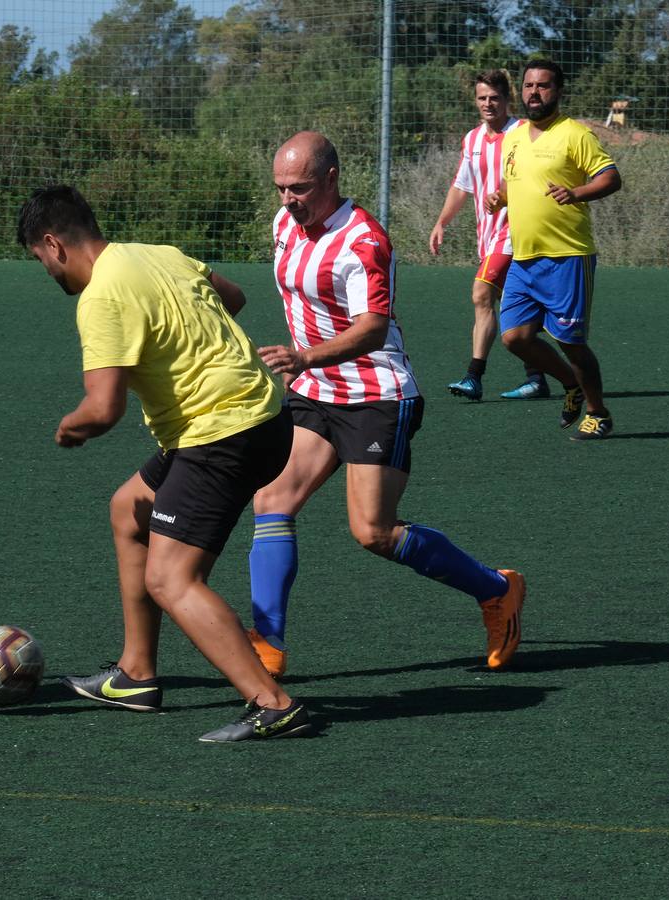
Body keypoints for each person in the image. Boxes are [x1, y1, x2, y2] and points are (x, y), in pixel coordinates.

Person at [16, 185, 312, 743]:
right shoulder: (160, 253)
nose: (48, 272)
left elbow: (103, 410)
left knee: (171, 578)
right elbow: (235, 297)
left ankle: (273, 704)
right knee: (129, 509)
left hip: (220, 435)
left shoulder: (100, 296)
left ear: (53, 245)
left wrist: (69, 427)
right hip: (266, 418)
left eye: (40, 260)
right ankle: (136, 674)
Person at [244, 131, 525, 679]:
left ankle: (497, 589)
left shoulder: (364, 240)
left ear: (330, 179)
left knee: (371, 530)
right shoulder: (285, 224)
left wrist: (305, 356)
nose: (286, 200)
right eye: (279, 188)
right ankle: (266, 646)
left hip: (376, 394)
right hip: (315, 391)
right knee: (271, 500)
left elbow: (373, 329)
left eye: (297, 188)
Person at [485, 59, 622, 441]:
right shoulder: (513, 136)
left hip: (567, 256)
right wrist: (501, 197)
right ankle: (570, 384)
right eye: (528, 85)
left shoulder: (574, 135)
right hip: (524, 257)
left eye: (543, 86)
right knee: (514, 338)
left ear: (558, 91)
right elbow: (517, 183)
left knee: (571, 343)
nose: (534, 92)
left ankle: (599, 413)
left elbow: (611, 178)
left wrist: (575, 192)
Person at [431, 70, 547, 402]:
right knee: (515, 309)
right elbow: (461, 186)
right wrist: (441, 222)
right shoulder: (473, 139)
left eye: (494, 98)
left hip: (518, 234)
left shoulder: (524, 132)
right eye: (482, 98)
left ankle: (473, 376)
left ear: (508, 100)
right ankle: (537, 377)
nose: (487, 103)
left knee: (481, 293)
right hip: (489, 237)